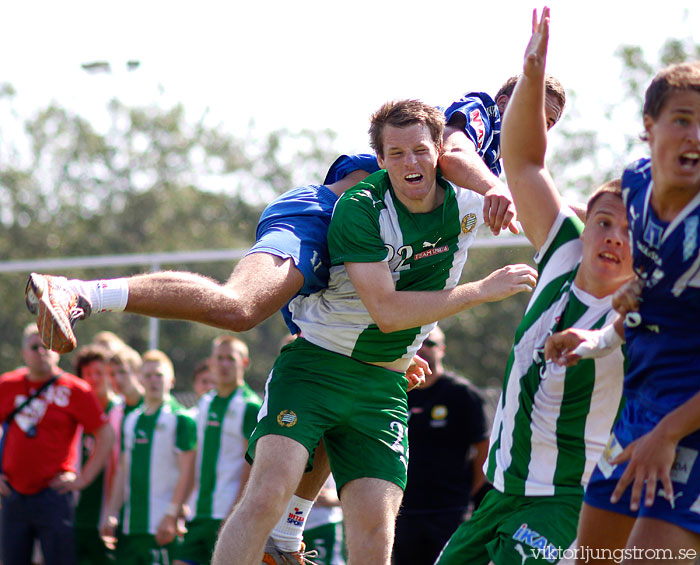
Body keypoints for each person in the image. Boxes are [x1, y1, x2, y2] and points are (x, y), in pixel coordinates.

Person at [211, 98, 538, 565]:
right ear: (381, 160)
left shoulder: (467, 200)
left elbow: (537, 197)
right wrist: (482, 290)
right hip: (316, 367)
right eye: (397, 154)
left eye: (420, 151)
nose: (411, 163)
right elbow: (386, 311)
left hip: (384, 385)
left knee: (375, 537)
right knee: (264, 497)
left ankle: (287, 536)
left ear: (439, 152)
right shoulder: (360, 209)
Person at [435, 8, 634, 564]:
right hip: (500, 492)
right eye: (603, 221)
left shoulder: (649, 298)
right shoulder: (565, 247)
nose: (612, 236)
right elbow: (523, 162)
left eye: (628, 227)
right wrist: (531, 67)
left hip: (566, 502)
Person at [544, 63, 700, 564]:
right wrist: (595, 342)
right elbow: (655, 305)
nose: (695, 136)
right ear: (649, 129)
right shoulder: (634, 186)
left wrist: (669, 434)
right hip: (640, 418)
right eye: (682, 119)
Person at [0, 324, 115, 565]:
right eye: (34, 346)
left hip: (54, 494)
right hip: (13, 493)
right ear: (23, 352)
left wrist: (82, 479)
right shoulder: (7, 384)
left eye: (48, 345)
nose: (41, 351)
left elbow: (105, 435)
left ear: (59, 350)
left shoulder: (76, 389)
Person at [392, 325, 489, 565]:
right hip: (402, 510)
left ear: (443, 349)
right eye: (419, 343)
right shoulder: (397, 391)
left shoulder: (462, 394)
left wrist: (469, 492)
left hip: (449, 511)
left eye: (430, 343)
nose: (423, 348)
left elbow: (484, 450)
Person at [100, 349, 197, 564]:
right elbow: (123, 470)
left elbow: (188, 472)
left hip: (162, 526)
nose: (154, 380)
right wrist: (111, 512)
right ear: (140, 379)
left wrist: (172, 513)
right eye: (148, 375)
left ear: (171, 380)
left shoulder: (181, 419)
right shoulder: (132, 419)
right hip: (131, 525)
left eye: (159, 375)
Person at [172, 336, 261, 565]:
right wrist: (179, 505)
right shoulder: (205, 403)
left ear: (244, 363)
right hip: (198, 514)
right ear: (211, 363)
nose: (223, 364)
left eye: (230, 359)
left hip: (227, 514)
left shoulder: (249, 406)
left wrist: (237, 512)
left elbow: (250, 465)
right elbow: (195, 458)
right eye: (219, 358)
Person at [72, 344, 124, 565]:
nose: (94, 379)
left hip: (111, 518)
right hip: (75, 516)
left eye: (99, 373)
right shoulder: (72, 413)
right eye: (88, 374)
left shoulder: (123, 411)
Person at [107, 345, 144, 415]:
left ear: (137, 371)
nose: (117, 379)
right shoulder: (115, 409)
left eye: (122, 372)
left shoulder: (154, 405)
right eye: (112, 374)